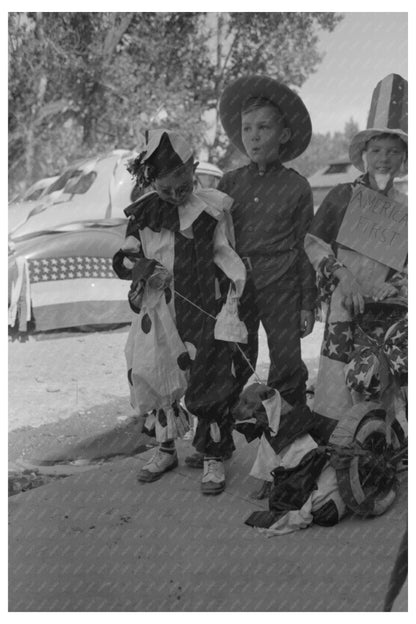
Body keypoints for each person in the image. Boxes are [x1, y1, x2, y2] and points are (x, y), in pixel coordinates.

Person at [113, 129, 247, 495]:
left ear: (195, 169)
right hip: (156, 309)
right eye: (166, 189)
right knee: (152, 372)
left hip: (200, 306)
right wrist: (140, 268)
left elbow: (227, 254)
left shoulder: (211, 210)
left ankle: (213, 455)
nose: (175, 195)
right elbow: (127, 255)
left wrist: (232, 298)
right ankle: (165, 447)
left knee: (207, 376)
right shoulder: (142, 214)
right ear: (151, 181)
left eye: (182, 186)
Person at [304, 74, 408, 439]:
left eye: (393, 151)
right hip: (343, 306)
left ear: (404, 158)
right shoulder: (342, 195)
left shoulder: (404, 208)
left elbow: (407, 264)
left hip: (384, 312)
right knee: (337, 377)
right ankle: (336, 450)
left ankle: (376, 450)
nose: (384, 159)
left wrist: (393, 287)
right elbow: (314, 243)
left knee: (378, 377)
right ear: (364, 155)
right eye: (377, 150)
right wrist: (342, 275)